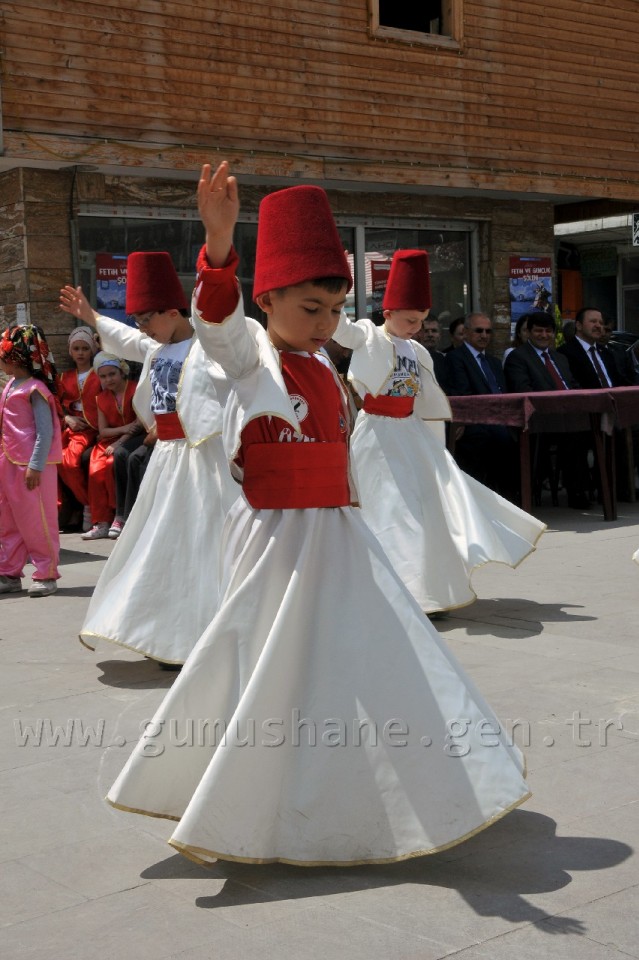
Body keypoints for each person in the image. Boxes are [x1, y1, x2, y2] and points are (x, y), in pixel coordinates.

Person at [105, 161, 530, 867]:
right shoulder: (246, 360)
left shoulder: (327, 366)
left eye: (335, 309)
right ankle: (249, 785)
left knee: (369, 653)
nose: (326, 323)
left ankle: (383, 781)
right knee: (268, 654)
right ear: (265, 300)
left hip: (336, 529)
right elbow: (215, 319)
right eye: (310, 308)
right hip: (272, 534)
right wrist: (217, 245)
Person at [332, 250, 545, 615]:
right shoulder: (367, 335)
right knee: (388, 509)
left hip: (411, 433)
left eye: (422, 320)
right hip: (377, 434)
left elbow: (425, 401)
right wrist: (335, 291)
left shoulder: (418, 350)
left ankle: (428, 590)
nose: (417, 327)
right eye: (411, 319)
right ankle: (390, 589)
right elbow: (339, 327)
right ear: (389, 312)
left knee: (428, 508)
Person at [59, 251, 239, 665]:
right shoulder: (156, 349)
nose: (142, 329)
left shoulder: (207, 346)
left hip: (203, 462)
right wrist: (92, 316)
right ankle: (168, 633)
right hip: (167, 463)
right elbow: (127, 340)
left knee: (206, 544)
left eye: (147, 319)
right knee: (163, 545)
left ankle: (210, 632)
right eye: (137, 320)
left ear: (173, 311)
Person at [504, 311, 591, 509]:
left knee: (587, 431)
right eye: (539, 331)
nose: (544, 335)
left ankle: (579, 490)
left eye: (548, 331)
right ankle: (537, 491)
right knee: (570, 436)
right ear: (528, 332)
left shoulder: (559, 357)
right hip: (538, 421)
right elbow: (522, 390)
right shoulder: (518, 357)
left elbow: (572, 384)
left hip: (567, 416)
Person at [0, 325, 62, 597]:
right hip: (8, 461)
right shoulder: (12, 385)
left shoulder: (36, 389)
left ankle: (46, 574)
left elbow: (45, 431)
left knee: (37, 521)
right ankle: (10, 573)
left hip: (31, 466)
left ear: (15, 357)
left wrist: (36, 465)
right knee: (9, 520)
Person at [446, 312, 520, 501]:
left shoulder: (494, 363)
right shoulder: (456, 358)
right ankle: (493, 501)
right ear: (467, 332)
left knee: (521, 437)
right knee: (493, 442)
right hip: (475, 422)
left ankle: (511, 501)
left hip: (501, 420)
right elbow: (461, 394)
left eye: (488, 331)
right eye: (479, 331)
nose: (484, 335)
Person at [81, 353, 139, 540]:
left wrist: (121, 439)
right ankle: (101, 522)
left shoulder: (136, 389)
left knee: (110, 465)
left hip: (135, 437)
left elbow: (140, 423)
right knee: (95, 469)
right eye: (104, 376)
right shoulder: (101, 398)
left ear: (122, 372)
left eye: (112, 374)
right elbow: (103, 430)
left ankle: (118, 516)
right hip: (109, 440)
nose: (108, 379)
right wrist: (123, 429)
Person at [57, 326, 102, 532]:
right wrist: (67, 418)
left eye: (85, 348)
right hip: (69, 428)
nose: (81, 353)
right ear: (70, 351)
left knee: (70, 462)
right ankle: (70, 507)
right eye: (76, 348)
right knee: (55, 459)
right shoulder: (64, 377)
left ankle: (87, 505)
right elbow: (57, 405)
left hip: (90, 428)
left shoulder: (99, 375)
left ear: (92, 350)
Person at [413, 314, 450, 392]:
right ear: (419, 333)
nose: (430, 335)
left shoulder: (446, 359)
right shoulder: (411, 357)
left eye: (434, 331)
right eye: (426, 331)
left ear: (440, 335)